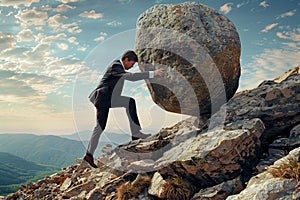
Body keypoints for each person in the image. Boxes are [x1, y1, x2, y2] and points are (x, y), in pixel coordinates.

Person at [83, 50, 164, 168]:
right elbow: (131, 77)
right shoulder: (115, 66)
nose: (132, 67)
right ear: (126, 59)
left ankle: (136, 132)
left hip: (109, 98)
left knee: (130, 102)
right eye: (132, 63)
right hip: (102, 98)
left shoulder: (119, 68)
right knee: (100, 127)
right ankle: (88, 155)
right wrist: (153, 73)